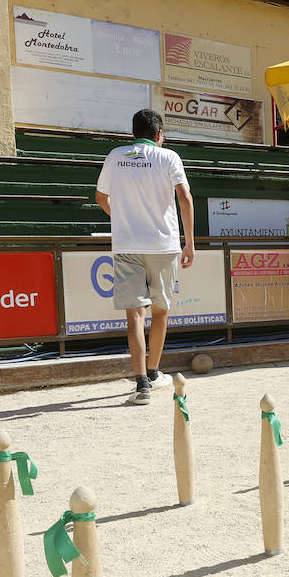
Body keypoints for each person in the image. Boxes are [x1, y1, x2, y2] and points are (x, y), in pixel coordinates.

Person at [94, 108, 196, 405]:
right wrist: (190, 243)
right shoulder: (169, 157)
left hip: (127, 244)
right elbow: (185, 198)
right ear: (160, 135)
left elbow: (101, 198)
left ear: (133, 134)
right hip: (163, 245)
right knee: (161, 311)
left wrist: (122, 218)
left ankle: (141, 384)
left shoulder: (116, 155)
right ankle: (152, 372)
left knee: (134, 315)